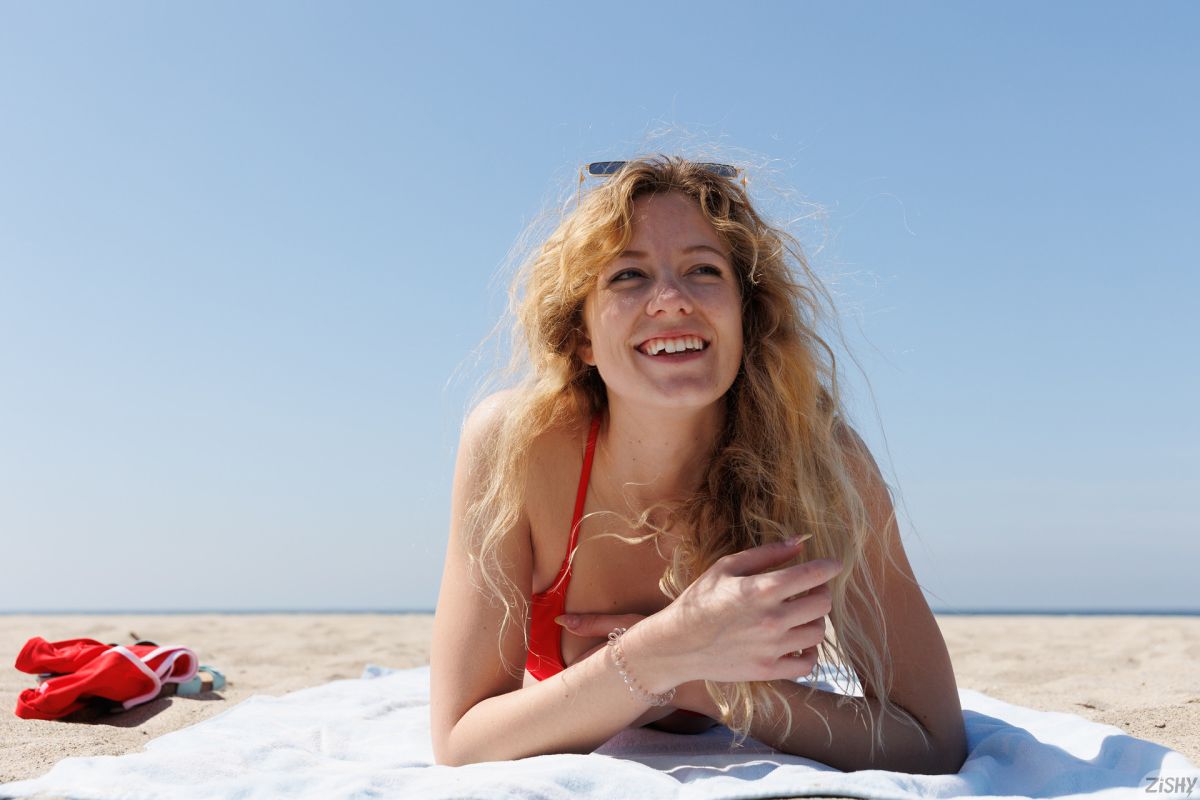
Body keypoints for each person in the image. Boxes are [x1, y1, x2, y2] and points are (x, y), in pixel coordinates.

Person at [430, 155, 967, 774]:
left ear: (748, 315)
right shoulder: (517, 446)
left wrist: (688, 677)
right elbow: (462, 742)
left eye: (703, 271)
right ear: (581, 336)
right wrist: (669, 646)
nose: (671, 299)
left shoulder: (820, 463)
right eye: (628, 276)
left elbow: (932, 742)